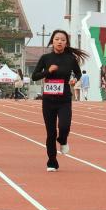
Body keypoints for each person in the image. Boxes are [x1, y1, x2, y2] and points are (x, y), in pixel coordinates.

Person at [31, 29, 87, 172]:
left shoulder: (70, 59)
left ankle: (63, 140)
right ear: (52, 41)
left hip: (64, 99)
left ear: (66, 43)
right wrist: (48, 71)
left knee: (64, 126)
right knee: (50, 133)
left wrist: (74, 79)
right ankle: (52, 162)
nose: (59, 42)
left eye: (62, 39)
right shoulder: (45, 58)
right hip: (48, 100)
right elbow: (34, 76)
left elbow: (78, 73)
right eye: (57, 39)